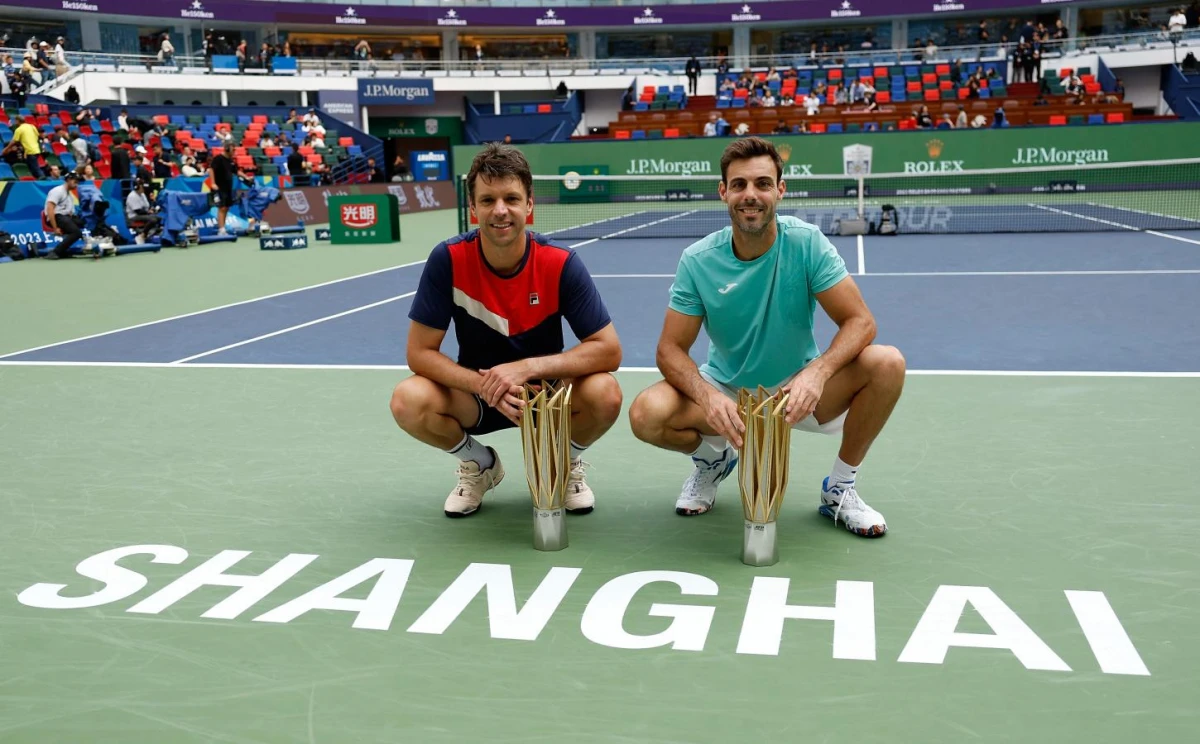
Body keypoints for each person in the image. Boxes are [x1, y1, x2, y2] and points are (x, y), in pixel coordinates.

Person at [627, 137, 905, 537]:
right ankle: (712, 462)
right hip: (727, 392)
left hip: (798, 393)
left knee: (888, 364)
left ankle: (840, 488)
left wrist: (818, 373)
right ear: (723, 192)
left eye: (762, 183)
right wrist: (710, 398)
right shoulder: (698, 260)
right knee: (646, 414)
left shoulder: (806, 243)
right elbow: (670, 349)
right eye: (739, 185)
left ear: (780, 189)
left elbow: (860, 321)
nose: (750, 195)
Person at [390, 143, 624, 518]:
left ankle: (561, 464)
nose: (500, 210)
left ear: (529, 205)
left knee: (605, 393)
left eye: (511, 198)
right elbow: (419, 353)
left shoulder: (560, 263)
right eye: (488, 200)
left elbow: (608, 350)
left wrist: (527, 368)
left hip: (547, 398)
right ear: (472, 209)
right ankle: (480, 465)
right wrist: (485, 385)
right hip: (477, 396)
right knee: (408, 399)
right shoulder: (447, 260)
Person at [42, 171, 83, 259]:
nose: (76, 185)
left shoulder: (70, 196)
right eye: (75, 182)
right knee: (76, 233)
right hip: (55, 217)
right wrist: (55, 228)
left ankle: (63, 250)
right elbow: (50, 209)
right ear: (68, 180)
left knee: (84, 221)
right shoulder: (58, 191)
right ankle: (55, 252)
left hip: (64, 217)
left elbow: (71, 213)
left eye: (78, 183)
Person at [210, 143, 234, 235]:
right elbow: (211, 169)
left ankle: (223, 227)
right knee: (222, 207)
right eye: (232, 150)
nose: (233, 152)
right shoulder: (218, 159)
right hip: (220, 187)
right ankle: (221, 229)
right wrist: (213, 183)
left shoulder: (230, 160)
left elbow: (236, 171)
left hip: (228, 187)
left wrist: (246, 177)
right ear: (227, 149)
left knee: (226, 208)